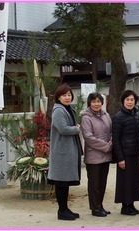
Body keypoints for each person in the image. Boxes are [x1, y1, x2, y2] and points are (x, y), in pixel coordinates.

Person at [47, 83, 83, 221]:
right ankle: (62, 210)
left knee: (65, 182)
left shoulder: (67, 109)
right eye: (64, 95)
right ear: (58, 97)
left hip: (68, 150)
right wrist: (76, 128)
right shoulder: (58, 110)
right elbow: (63, 129)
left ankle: (65, 209)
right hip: (61, 151)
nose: (67, 97)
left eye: (69, 95)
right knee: (61, 182)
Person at [80, 93, 113, 217]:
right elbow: (89, 137)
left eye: (98, 101)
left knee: (102, 183)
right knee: (94, 184)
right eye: (93, 101)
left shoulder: (106, 115)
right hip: (94, 156)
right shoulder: (86, 118)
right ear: (89, 103)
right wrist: (107, 146)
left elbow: (111, 130)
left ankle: (100, 205)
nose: (96, 104)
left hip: (106, 156)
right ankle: (95, 208)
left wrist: (111, 141)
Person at [111, 90, 139, 215]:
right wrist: (120, 158)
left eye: (132, 100)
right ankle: (125, 206)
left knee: (134, 181)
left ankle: (132, 204)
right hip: (125, 154)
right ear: (123, 101)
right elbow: (116, 139)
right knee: (125, 181)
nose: (130, 102)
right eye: (127, 100)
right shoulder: (118, 117)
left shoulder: (135, 115)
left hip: (135, 152)